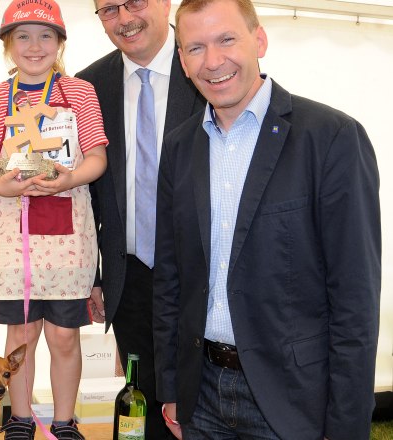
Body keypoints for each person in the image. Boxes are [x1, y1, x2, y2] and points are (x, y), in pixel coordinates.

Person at [153, 0, 381, 439]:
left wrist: (348, 423)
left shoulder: (331, 138)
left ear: (259, 40)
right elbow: (170, 278)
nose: (213, 61)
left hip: (294, 402)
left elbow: (355, 300)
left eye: (226, 40)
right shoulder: (181, 148)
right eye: (195, 47)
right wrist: (171, 388)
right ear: (182, 60)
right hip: (200, 398)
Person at [0, 1, 108, 438]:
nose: (34, 46)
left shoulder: (79, 93)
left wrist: (69, 178)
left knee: (64, 336)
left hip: (67, 235)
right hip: (12, 236)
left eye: (45, 36)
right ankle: (19, 418)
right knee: (20, 332)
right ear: (7, 44)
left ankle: (64, 422)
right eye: (22, 35)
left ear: (61, 42)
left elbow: (97, 157)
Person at [75, 0, 204, 438]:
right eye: (109, 9)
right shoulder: (88, 86)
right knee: (140, 401)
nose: (124, 19)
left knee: (202, 400)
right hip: (128, 278)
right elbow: (84, 193)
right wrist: (93, 273)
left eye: (134, 2)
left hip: (204, 275)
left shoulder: (208, 69)